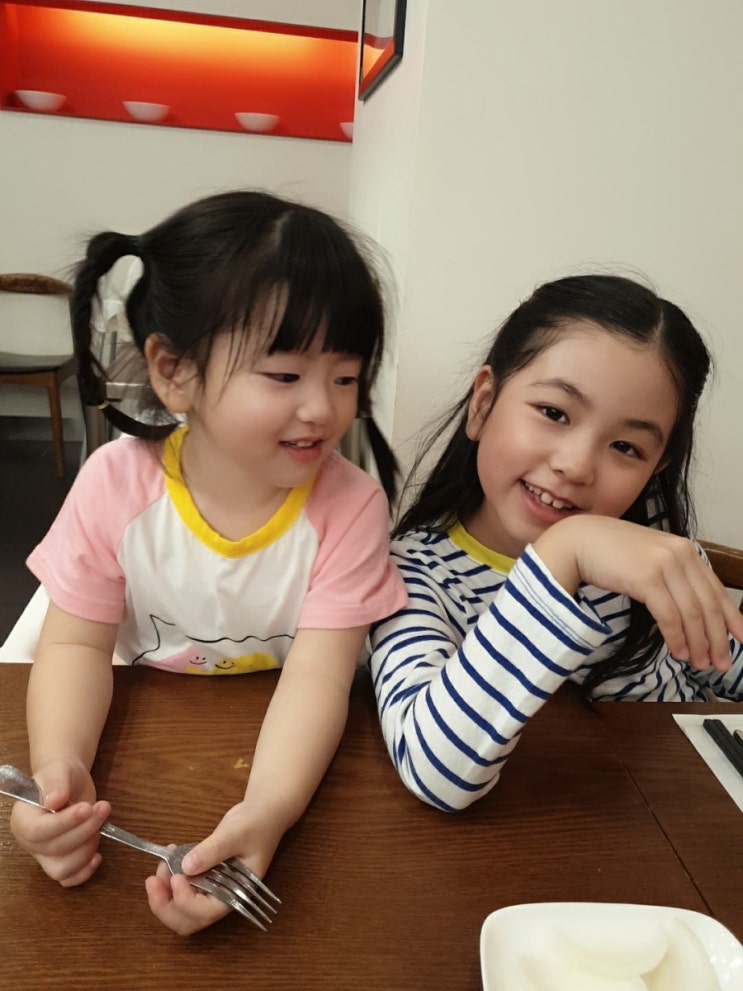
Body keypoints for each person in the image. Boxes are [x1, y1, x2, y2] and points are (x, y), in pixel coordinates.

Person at [10, 190, 407, 934]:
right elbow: (75, 646)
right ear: (173, 371)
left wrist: (267, 812)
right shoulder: (115, 486)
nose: (323, 408)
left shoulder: (351, 507)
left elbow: (318, 679)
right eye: (285, 375)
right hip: (143, 710)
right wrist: (60, 769)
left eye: (345, 376)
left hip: (261, 729)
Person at [369, 274, 743, 813]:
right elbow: (436, 771)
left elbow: (727, 666)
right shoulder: (412, 572)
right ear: (483, 404)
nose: (575, 465)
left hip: (681, 812)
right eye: (554, 413)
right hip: (539, 837)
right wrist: (563, 552)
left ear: (655, 468)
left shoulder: (657, 552)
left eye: (625, 447)